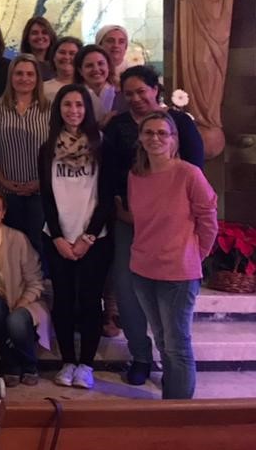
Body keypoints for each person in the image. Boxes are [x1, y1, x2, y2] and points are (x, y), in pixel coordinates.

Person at [102, 65, 205, 385]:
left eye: (140, 91)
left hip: (173, 227)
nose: (135, 98)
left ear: (155, 90)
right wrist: (120, 211)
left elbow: (195, 174)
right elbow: (108, 172)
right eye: (128, 93)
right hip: (129, 220)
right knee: (127, 289)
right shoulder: (118, 125)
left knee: (171, 315)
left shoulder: (180, 124)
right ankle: (141, 356)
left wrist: (197, 251)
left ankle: (174, 370)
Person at [128, 111, 217, 399]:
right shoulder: (136, 175)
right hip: (143, 269)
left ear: (173, 139)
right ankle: (171, 400)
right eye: (149, 132)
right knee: (162, 339)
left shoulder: (189, 174)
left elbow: (208, 220)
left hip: (178, 272)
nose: (155, 138)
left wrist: (193, 256)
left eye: (162, 133)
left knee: (177, 344)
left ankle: (179, 412)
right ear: (141, 138)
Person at [39, 84, 112, 390]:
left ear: (87, 110)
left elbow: (106, 196)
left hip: (94, 238)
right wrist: (58, 237)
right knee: (64, 299)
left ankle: (87, 365)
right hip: (58, 237)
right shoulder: (48, 148)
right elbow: (46, 195)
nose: (73, 111)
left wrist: (88, 237)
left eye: (79, 105)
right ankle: (68, 361)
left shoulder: (101, 144)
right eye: (67, 105)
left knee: (91, 300)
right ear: (59, 109)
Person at [171, 0, 236, 157]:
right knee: (194, 62)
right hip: (190, 10)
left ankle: (210, 116)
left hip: (214, 9)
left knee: (208, 64)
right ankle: (195, 116)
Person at [0, 186, 48, 388]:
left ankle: (29, 364)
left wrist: (20, 304)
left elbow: (35, 281)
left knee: (15, 320)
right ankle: (11, 364)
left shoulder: (17, 239)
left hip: (25, 300)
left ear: (4, 212)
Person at [0, 54, 51, 258]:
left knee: (38, 244)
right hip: (7, 191)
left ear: (37, 78)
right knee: (9, 246)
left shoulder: (49, 109)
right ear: (11, 77)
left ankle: (37, 279)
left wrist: (40, 182)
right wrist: (3, 181)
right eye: (19, 73)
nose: (24, 78)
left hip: (40, 191)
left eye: (30, 74)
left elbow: (55, 154)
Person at [73, 44, 118, 125]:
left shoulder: (122, 94)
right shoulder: (72, 96)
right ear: (80, 71)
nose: (96, 69)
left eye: (101, 63)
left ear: (108, 66)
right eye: (89, 65)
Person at [42, 36, 82, 104]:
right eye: (62, 52)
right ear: (54, 57)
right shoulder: (42, 89)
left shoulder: (88, 88)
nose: (67, 57)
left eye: (72, 53)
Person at [20, 16, 57, 81]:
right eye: (35, 33)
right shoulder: (19, 65)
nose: (40, 37)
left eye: (44, 33)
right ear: (27, 38)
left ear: (51, 37)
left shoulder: (58, 67)